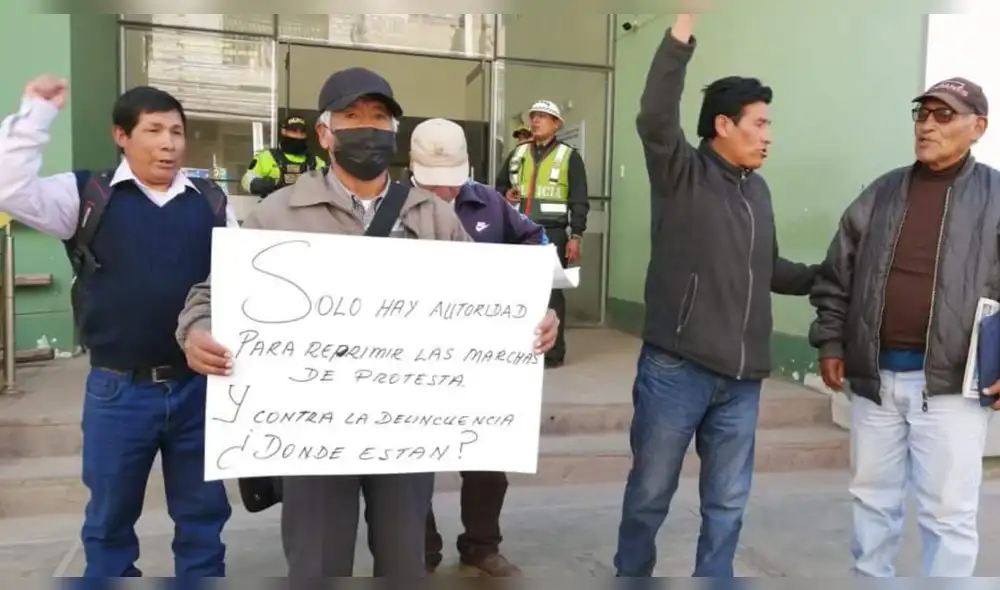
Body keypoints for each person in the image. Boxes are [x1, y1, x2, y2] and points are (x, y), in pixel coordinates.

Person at [175, 67, 560, 580]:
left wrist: (533, 318)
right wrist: (195, 331)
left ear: (394, 131)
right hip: (310, 430)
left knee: (405, 563)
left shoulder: (433, 216)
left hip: (404, 426)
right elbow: (212, 292)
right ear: (325, 134)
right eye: (352, 116)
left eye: (379, 117)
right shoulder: (279, 213)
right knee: (318, 564)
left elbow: (484, 297)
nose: (368, 127)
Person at [0, 76, 238, 577]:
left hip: (199, 389)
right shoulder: (87, 196)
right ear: (121, 136)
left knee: (203, 518)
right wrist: (36, 116)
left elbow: (240, 283)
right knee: (109, 519)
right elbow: (9, 186)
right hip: (118, 391)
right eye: (153, 130)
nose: (169, 143)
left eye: (176, 131)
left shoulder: (213, 202)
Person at [612, 14, 817, 578]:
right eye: (760, 123)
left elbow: (768, 268)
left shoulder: (760, 191)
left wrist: (831, 275)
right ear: (723, 125)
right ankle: (631, 574)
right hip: (677, 370)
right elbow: (654, 114)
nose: (769, 134)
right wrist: (682, 29)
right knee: (650, 494)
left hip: (743, 379)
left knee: (727, 503)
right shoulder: (680, 171)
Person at [809, 77, 997, 578]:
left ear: (977, 127)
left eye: (943, 115)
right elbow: (838, 272)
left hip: (954, 386)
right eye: (922, 113)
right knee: (872, 505)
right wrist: (831, 338)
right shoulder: (884, 191)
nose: (927, 124)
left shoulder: (996, 197)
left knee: (948, 515)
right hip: (876, 384)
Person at [402, 117, 542, 576]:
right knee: (408, 467)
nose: (444, 192)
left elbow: (535, 245)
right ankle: (419, 551)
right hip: (408, 364)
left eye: (451, 183)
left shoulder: (490, 203)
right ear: (411, 167)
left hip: (480, 363)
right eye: (433, 183)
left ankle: (481, 545)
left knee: (486, 460)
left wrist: (540, 299)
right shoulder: (389, 208)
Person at [495, 99, 589, 368]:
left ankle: (552, 353)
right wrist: (506, 193)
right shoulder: (518, 153)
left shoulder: (569, 156)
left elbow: (579, 199)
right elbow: (500, 184)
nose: (535, 121)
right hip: (517, 230)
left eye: (543, 117)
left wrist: (576, 235)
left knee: (551, 293)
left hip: (552, 233)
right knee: (516, 289)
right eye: (533, 116)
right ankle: (518, 347)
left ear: (556, 124)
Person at [241, 115, 327, 198]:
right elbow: (247, 181)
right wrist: (272, 183)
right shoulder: (266, 157)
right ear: (283, 131)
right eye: (294, 131)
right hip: (274, 208)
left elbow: (329, 185)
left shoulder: (315, 162)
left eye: (302, 132)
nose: (298, 135)